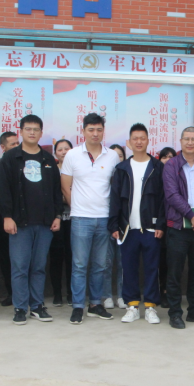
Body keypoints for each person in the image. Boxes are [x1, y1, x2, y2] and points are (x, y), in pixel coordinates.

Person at [0, 114, 62, 325]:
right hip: (19, 223)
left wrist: (57, 215)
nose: (32, 132)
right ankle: (20, 307)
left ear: (41, 133)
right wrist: (7, 216)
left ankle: (37, 306)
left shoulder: (48, 159)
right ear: (21, 131)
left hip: (44, 222)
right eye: (28, 129)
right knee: (20, 267)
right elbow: (4, 190)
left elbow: (56, 190)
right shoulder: (10, 158)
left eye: (36, 129)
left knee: (39, 266)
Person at [60, 113, 120, 324]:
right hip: (81, 219)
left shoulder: (112, 156)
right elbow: (65, 186)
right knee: (79, 265)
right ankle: (78, 306)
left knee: (100, 265)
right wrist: (77, 207)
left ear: (103, 131)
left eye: (99, 130)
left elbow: (115, 187)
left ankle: (95, 304)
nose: (95, 133)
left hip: (104, 218)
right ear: (83, 131)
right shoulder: (72, 155)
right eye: (91, 129)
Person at [109, 123, 166, 324]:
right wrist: (114, 225)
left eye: (142, 138)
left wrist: (160, 225)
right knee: (129, 268)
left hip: (151, 228)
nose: (139, 142)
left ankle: (150, 307)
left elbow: (163, 199)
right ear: (129, 142)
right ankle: (132, 306)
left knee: (152, 268)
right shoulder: (122, 169)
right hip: (127, 228)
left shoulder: (158, 168)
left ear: (148, 141)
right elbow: (115, 199)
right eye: (135, 139)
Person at [162, 127, 194, 329]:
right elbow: (172, 195)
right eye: (187, 139)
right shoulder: (172, 165)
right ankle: (175, 313)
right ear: (181, 141)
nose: (190, 142)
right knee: (175, 272)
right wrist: (192, 216)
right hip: (178, 227)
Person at [0, 131, 18, 307]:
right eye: (12, 144)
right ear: (3, 147)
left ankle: (25, 293)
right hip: (3, 217)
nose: (16, 146)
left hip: (24, 218)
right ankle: (11, 292)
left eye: (17, 143)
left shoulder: (24, 162)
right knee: (5, 256)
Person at [48, 139, 74, 307]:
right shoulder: (51, 170)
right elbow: (52, 195)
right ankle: (57, 293)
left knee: (72, 258)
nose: (64, 152)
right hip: (55, 219)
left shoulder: (77, 169)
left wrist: (64, 197)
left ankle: (71, 293)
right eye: (60, 149)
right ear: (55, 153)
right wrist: (66, 197)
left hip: (74, 219)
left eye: (67, 148)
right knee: (56, 257)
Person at [103, 144, 126, 310]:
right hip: (104, 222)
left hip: (123, 225)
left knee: (123, 263)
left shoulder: (126, 176)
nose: (117, 159)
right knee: (106, 262)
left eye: (120, 156)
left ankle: (122, 295)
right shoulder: (102, 177)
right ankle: (106, 296)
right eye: (114, 155)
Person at [157, 147, 176, 308]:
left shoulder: (177, 176)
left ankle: (167, 291)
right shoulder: (155, 176)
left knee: (170, 261)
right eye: (164, 157)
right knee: (159, 260)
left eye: (171, 157)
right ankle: (159, 290)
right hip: (157, 224)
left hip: (173, 224)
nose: (168, 160)